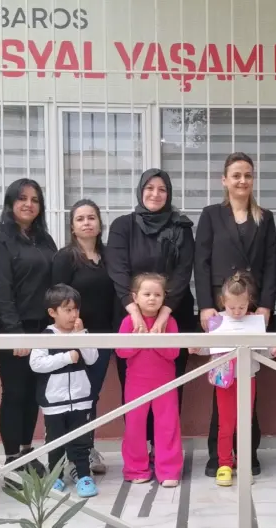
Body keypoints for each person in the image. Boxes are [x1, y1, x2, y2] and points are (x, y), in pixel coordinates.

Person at [194, 152, 276, 478]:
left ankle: (248, 455)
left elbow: (271, 263)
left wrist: (266, 304)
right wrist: (205, 304)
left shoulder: (264, 217)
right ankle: (220, 457)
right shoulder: (211, 215)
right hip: (221, 307)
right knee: (222, 383)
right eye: (236, 175)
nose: (242, 180)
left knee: (249, 384)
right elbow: (201, 262)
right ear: (225, 180)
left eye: (248, 175)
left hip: (251, 309)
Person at [106, 169, 195, 450]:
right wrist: (134, 312)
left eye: (162, 189)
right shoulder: (122, 226)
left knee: (170, 385)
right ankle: (139, 447)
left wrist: (165, 313)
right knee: (133, 385)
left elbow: (183, 272)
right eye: (150, 188)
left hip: (174, 312)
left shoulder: (181, 227)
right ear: (140, 190)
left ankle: (162, 448)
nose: (155, 194)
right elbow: (117, 269)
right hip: (129, 314)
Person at [0, 178, 57, 473]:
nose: (29, 204)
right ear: (10, 203)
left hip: (41, 328)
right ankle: (12, 459)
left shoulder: (44, 239)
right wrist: (16, 334)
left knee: (32, 393)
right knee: (15, 392)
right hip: (10, 329)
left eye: (35, 199)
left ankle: (27, 452)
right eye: (22, 198)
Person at [189, 272, 276, 486]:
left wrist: (273, 350)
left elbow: (262, 349)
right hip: (224, 380)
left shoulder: (254, 321)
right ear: (223, 301)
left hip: (247, 377)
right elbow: (210, 347)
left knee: (245, 422)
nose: (237, 312)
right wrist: (197, 348)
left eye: (242, 307)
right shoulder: (217, 321)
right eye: (232, 307)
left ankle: (243, 463)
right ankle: (224, 463)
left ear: (249, 301)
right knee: (225, 423)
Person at [52, 199, 117, 477]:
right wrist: (70, 329)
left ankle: (86, 448)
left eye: (92, 217)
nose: (87, 223)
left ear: (100, 224)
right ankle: (70, 456)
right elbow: (57, 296)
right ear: (72, 227)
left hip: (103, 338)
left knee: (91, 396)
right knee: (74, 397)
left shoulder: (111, 256)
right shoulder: (65, 257)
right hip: (75, 338)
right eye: (80, 219)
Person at [29, 284, 101, 498]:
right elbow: (36, 364)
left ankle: (83, 475)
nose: (73, 315)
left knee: (81, 440)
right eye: (67, 310)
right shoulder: (45, 336)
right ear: (52, 312)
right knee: (55, 441)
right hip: (54, 401)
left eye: (76, 309)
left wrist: (81, 336)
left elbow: (92, 359)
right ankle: (56, 476)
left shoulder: (82, 333)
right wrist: (66, 357)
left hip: (80, 399)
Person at [116, 273, 182, 487]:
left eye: (157, 294)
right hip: (136, 383)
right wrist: (140, 339)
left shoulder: (170, 322)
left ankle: (169, 470)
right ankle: (136, 469)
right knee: (134, 426)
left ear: (164, 298)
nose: (152, 298)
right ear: (135, 297)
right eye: (147, 294)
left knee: (168, 425)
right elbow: (121, 351)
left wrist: (156, 339)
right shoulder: (128, 321)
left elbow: (173, 353)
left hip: (166, 382)